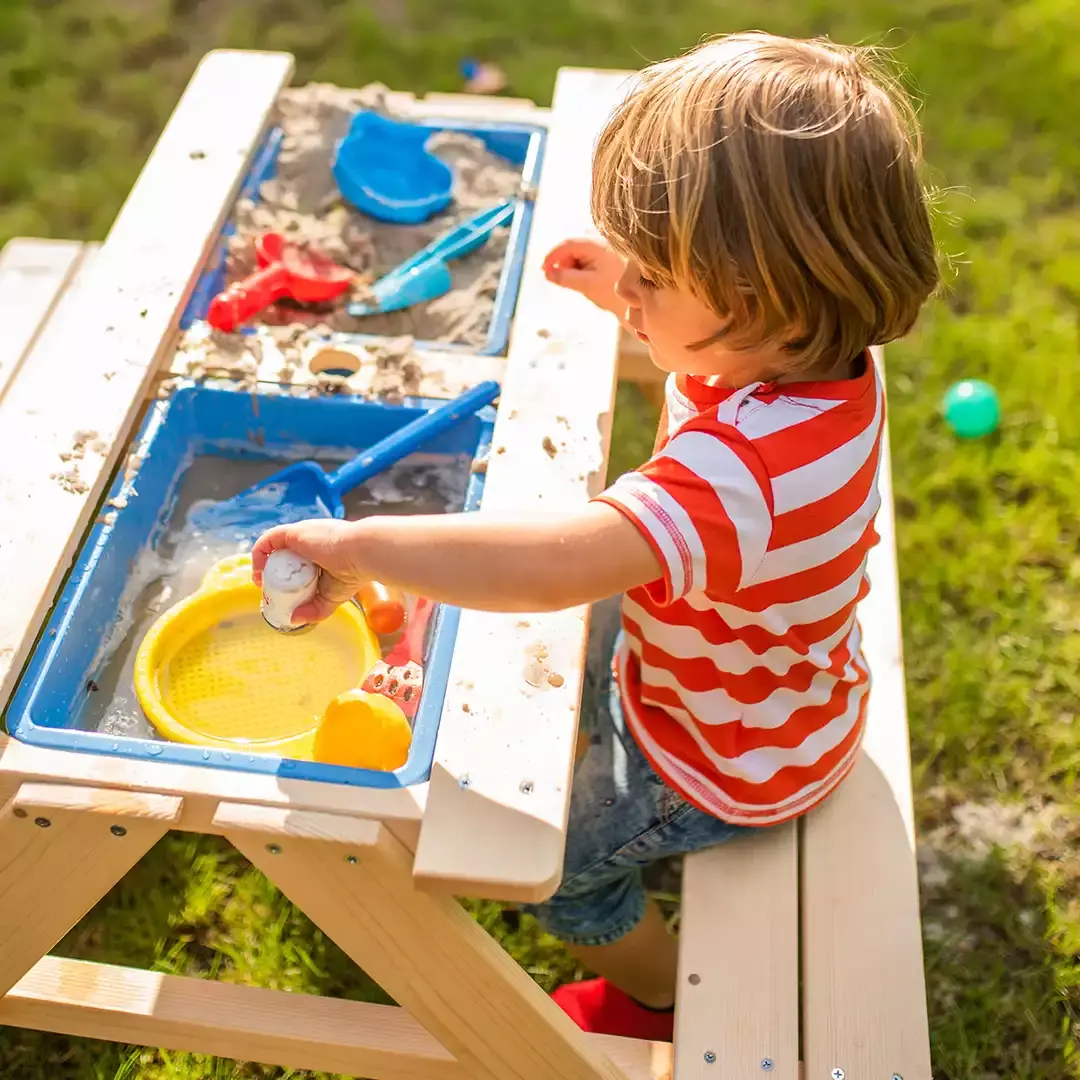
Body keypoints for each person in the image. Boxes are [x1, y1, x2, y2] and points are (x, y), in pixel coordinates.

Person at [251, 30, 939, 1041]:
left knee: (548, 863)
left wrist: (360, 548)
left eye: (653, 282)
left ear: (766, 307)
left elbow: (557, 564)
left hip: (730, 753)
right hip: (757, 661)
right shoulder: (810, 359)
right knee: (523, 632)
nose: (630, 297)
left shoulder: (741, 477)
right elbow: (704, 363)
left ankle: (651, 993)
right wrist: (627, 276)